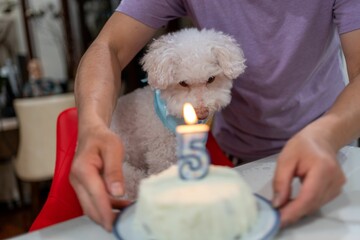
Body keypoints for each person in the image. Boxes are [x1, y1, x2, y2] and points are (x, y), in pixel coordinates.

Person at [69, 0, 360, 231]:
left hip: (329, 150)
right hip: (232, 160)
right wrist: (93, 127)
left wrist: (326, 134)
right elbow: (109, 46)